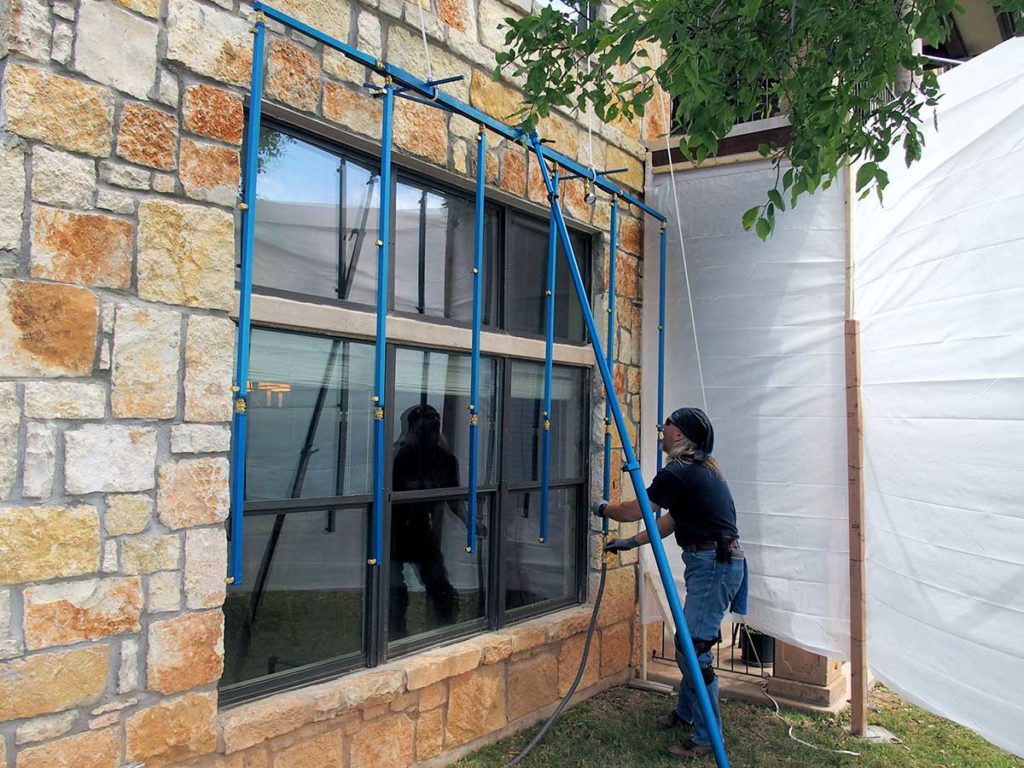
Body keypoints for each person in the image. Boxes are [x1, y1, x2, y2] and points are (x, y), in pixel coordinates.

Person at [594, 406, 747, 760]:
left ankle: (707, 738)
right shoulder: (698, 470)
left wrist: (602, 509)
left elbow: (638, 510)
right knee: (687, 644)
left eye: (666, 426)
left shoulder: (680, 471)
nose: (662, 430)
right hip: (711, 562)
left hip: (714, 565)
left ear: (679, 435)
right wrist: (631, 543)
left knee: (695, 650)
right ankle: (687, 712)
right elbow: (669, 522)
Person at [389, 404, 461, 641]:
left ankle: (446, 637)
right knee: (393, 592)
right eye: (423, 430)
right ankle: (394, 640)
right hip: (393, 528)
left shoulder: (445, 460)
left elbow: (454, 500)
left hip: (420, 528)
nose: (429, 434)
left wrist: (473, 524)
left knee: (441, 589)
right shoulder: (400, 457)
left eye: (433, 429)